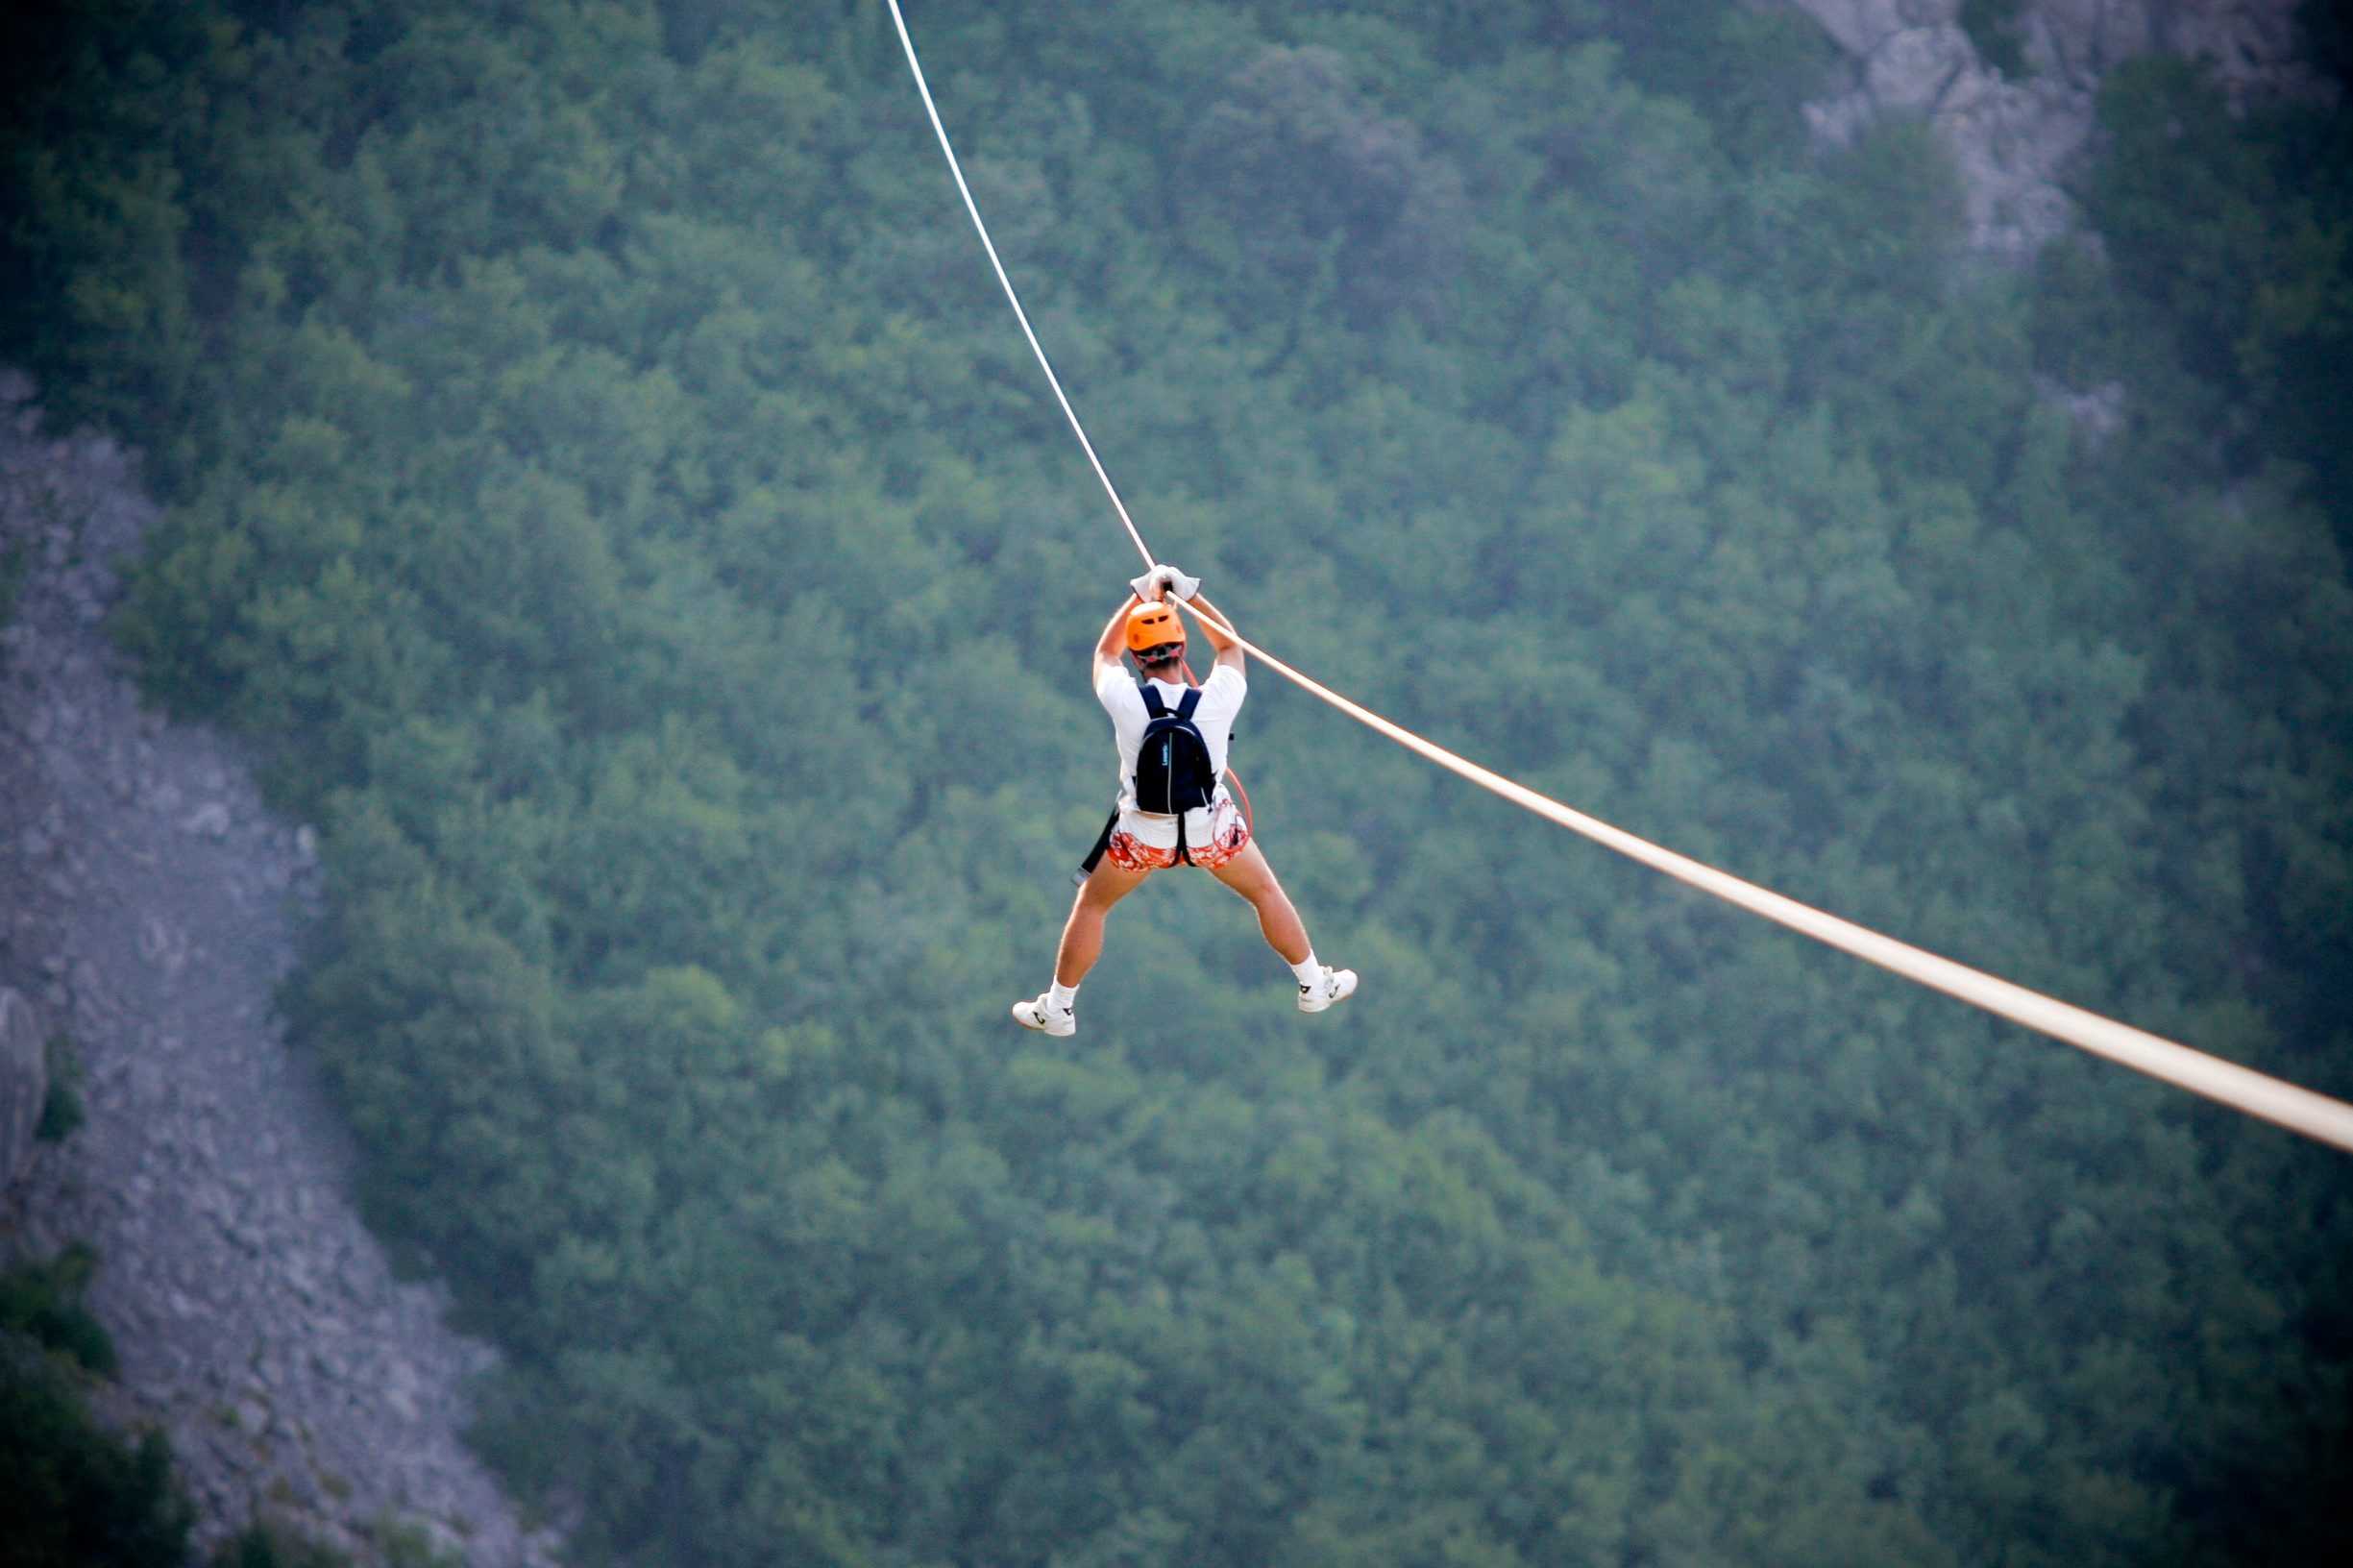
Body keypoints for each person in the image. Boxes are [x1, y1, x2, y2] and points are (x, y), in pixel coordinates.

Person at [1013, 565, 1356, 1036]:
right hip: (1211, 831)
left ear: (1139, 659)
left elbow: (1105, 654)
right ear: (1182, 649)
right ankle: (1313, 984)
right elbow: (1230, 647)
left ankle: (1058, 1008)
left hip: (1143, 836)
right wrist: (1189, 596)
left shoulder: (1126, 700)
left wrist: (1140, 595)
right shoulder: (1217, 699)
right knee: (1264, 892)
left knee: (1092, 906)